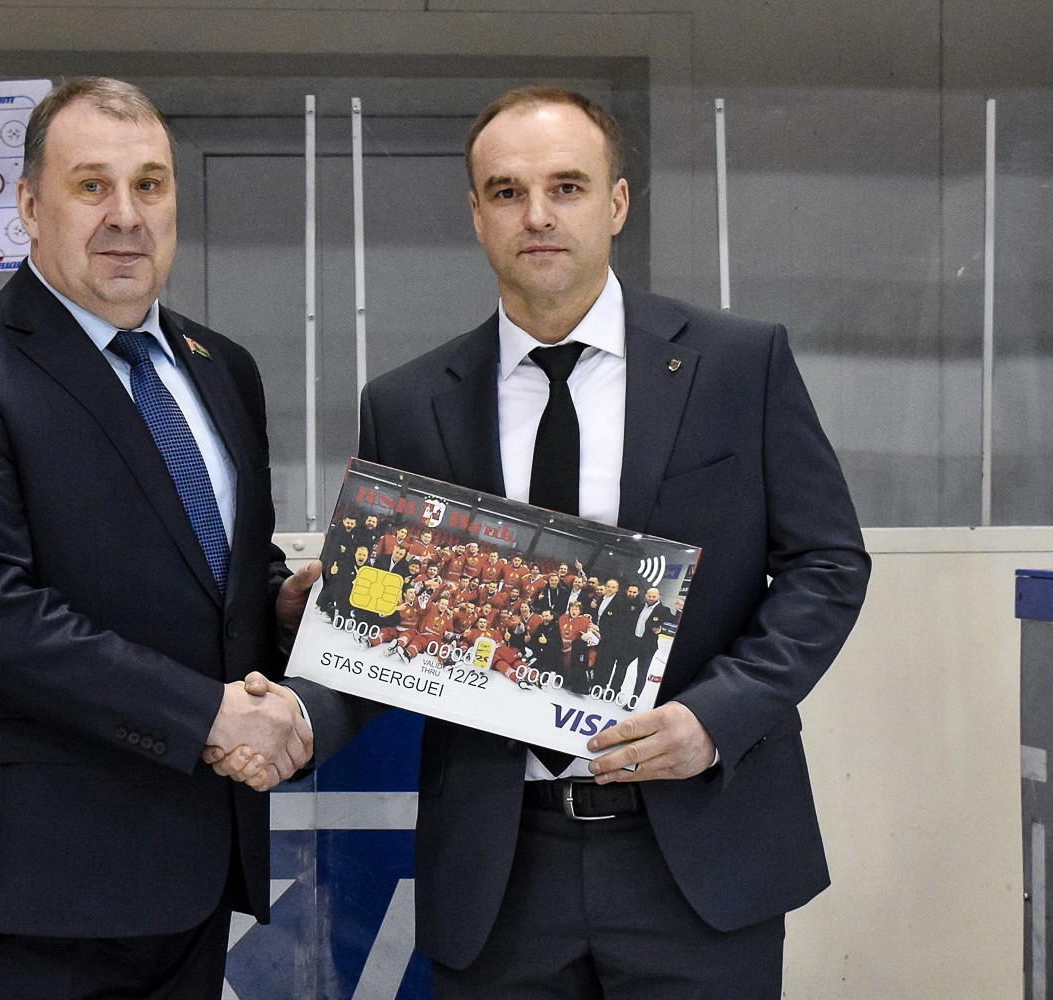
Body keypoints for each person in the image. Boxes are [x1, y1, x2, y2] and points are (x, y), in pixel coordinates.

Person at [226, 85, 868, 998]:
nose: (537, 215)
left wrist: (715, 718)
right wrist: (297, 714)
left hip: (700, 851)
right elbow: (388, 627)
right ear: (477, 215)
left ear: (616, 203)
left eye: (567, 187)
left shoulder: (738, 364)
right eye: (507, 191)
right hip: (499, 866)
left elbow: (827, 565)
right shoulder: (407, 404)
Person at [0, 76, 317, 1000]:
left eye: (149, 184)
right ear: (30, 208)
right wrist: (211, 717)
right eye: (91, 186)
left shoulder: (223, 368)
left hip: (194, 872)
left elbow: (219, 568)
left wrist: (279, 605)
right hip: (41, 891)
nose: (126, 215)